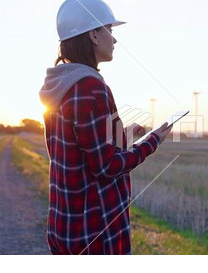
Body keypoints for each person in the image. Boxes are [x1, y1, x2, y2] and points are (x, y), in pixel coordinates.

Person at [39, 0, 172, 254]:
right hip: (95, 230)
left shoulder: (60, 86)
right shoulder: (90, 87)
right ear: (93, 34)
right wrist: (152, 142)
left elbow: (83, 147)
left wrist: (124, 135)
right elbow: (106, 166)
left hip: (64, 224)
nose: (114, 40)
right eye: (110, 30)